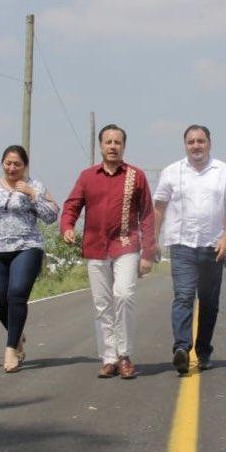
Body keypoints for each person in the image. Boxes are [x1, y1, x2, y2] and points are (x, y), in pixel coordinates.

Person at [61, 124, 156, 380]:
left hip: (126, 245)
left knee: (123, 295)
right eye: (108, 142)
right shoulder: (87, 176)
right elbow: (72, 205)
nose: (113, 146)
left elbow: (147, 215)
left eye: (117, 142)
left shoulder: (136, 176)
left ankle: (124, 355)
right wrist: (67, 226)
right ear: (101, 146)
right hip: (95, 248)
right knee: (102, 304)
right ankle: (109, 357)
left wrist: (148, 253)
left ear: (124, 146)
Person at [154, 124, 226, 375]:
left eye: (200, 141)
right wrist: (153, 240)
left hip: (212, 246)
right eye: (191, 141)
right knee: (183, 296)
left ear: (209, 143)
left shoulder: (223, 171)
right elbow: (159, 207)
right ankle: (181, 348)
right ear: (185, 145)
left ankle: (203, 352)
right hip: (181, 245)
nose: (196, 146)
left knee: (209, 301)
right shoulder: (171, 172)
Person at [0, 145, 59, 373]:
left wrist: (31, 194)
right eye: (8, 163)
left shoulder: (35, 186)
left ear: (25, 166)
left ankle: (10, 350)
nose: (12, 167)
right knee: (0, 301)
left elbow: (51, 216)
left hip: (27, 247)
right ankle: (17, 335)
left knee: (16, 293)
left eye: (17, 164)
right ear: (2, 164)